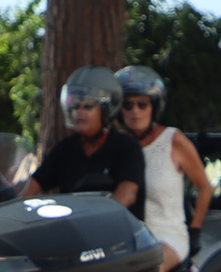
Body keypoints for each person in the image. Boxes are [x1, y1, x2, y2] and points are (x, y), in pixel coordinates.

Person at [116, 64, 211, 272]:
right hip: (127, 236)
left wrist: (195, 230)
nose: (135, 111)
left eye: (142, 104)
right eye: (128, 105)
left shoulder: (173, 140)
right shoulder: (117, 145)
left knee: (150, 264)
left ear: (154, 107)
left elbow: (205, 187)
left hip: (168, 234)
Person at [27, 66, 143, 212]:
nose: (79, 112)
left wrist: (96, 221)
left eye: (88, 106)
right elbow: (32, 186)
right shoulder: (65, 149)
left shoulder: (127, 147)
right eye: (75, 106)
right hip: (74, 231)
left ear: (106, 109)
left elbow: (127, 194)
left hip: (117, 231)